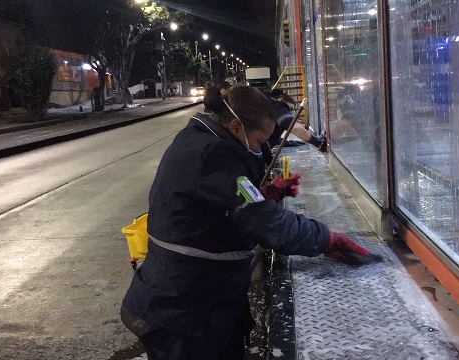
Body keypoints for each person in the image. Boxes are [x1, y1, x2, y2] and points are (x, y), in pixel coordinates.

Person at [120, 85, 381, 360]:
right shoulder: (212, 156)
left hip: (198, 301)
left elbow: (226, 203)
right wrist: (326, 239)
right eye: (258, 141)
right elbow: (267, 224)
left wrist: (267, 194)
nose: (260, 149)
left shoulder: (199, 140)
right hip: (183, 315)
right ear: (236, 127)